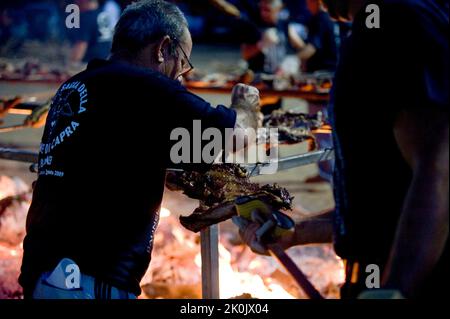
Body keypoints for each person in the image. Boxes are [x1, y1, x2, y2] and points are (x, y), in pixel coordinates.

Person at [19, 0, 258, 299]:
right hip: (92, 281)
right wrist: (245, 105)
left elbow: (113, 153)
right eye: (183, 61)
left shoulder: (75, 86)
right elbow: (235, 136)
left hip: (41, 271)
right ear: (163, 47)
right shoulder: (147, 87)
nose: (181, 75)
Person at [233, 0, 448, 299]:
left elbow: (440, 163)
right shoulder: (377, 24)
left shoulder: (393, 18)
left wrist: (395, 288)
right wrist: (297, 230)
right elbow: (386, 204)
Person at [290, 0, 338, 72]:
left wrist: (293, 59)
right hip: (329, 70)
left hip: (324, 72)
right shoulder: (327, 17)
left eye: (309, 1)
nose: (307, 5)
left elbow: (313, 48)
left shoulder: (321, 18)